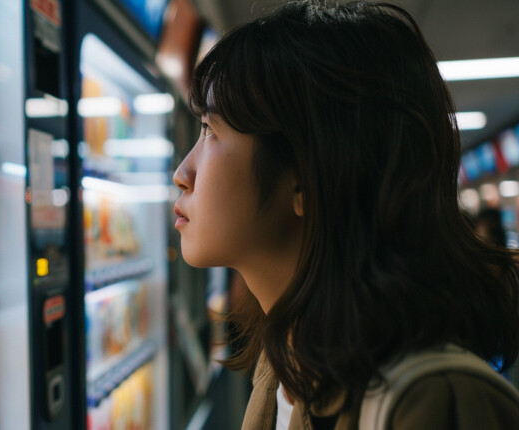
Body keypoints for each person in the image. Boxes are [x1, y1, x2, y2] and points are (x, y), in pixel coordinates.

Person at [172, 1, 519, 429]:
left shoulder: (431, 404)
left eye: (210, 130)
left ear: (305, 175)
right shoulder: (284, 366)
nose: (181, 174)